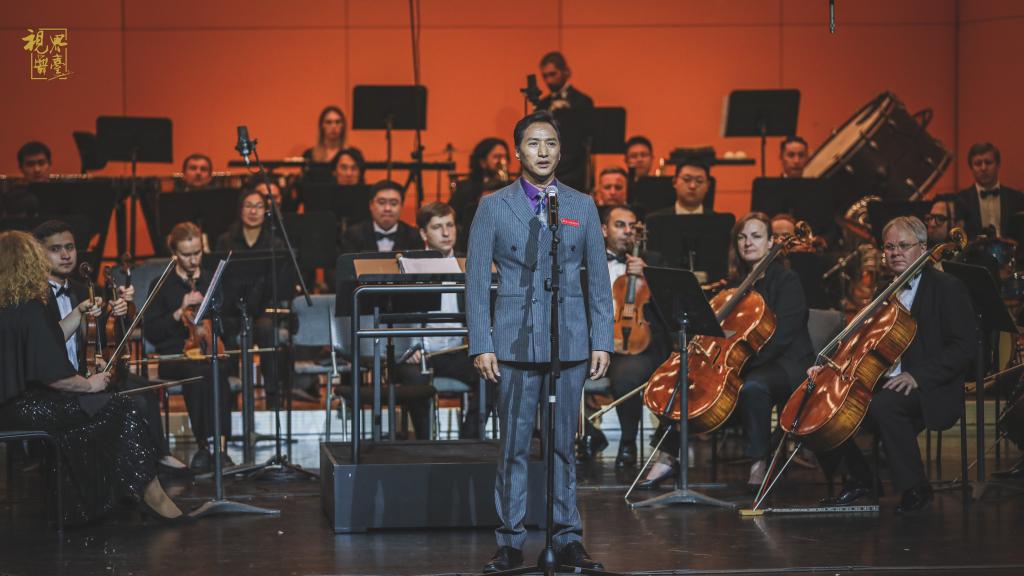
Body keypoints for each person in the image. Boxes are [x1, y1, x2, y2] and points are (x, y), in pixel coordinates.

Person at [467, 110, 611, 572]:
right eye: (533, 143)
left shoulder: (581, 205)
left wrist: (602, 339)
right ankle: (510, 541)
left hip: (568, 338)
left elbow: (598, 279)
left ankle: (567, 537)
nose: (542, 151)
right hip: (513, 340)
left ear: (561, 151)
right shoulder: (493, 206)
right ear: (517, 152)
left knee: (563, 445)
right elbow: (475, 280)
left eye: (550, 143)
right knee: (513, 445)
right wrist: (482, 342)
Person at [0, 230, 188, 524]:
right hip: (29, 409)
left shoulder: (11, 306)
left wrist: (77, 312)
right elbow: (55, 376)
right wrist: (89, 385)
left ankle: (81, 507)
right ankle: (151, 497)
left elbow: (47, 339)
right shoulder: (31, 308)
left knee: (89, 419)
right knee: (118, 407)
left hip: (10, 409)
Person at [638, 212, 814, 489]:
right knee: (686, 381)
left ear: (771, 242)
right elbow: (723, 332)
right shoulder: (735, 285)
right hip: (742, 359)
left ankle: (759, 462)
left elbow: (783, 335)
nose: (747, 243)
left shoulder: (786, 281)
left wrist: (736, 366)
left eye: (756, 236)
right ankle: (668, 457)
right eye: (742, 237)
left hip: (786, 362)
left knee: (753, 387)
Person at [816, 216, 975, 513]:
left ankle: (916, 487)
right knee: (824, 406)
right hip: (883, 378)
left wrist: (918, 376)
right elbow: (860, 342)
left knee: (883, 405)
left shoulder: (947, 287)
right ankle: (861, 478)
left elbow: (965, 348)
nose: (895, 252)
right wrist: (829, 368)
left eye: (904, 245)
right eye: (889, 247)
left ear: (923, 248)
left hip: (930, 386)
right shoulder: (885, 291)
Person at [32, 219, 189, 476]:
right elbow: (43, 346)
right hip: (58, 382)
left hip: (87, 369)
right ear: (40, 254)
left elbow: (105, 340)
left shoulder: (84, 289)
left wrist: (121, 312)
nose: (65, 255)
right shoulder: (34, 297)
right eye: (55, 249)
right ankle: (133, 472)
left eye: (69, 247)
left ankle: (158, 457)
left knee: (145, 390)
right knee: (132, 400)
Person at [577, 205, 669, 467]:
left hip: (639, 347)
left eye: (631, 226)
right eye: (620, 225)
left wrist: (649, 275)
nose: (627, 231)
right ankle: (590, 435)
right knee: (558, 374)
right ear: (604, 230)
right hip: (591, 344)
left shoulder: (654, 260)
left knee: (626, 377)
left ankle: (628, 442)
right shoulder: (584, 261)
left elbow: (670, 309)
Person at [144, 222, 234, 471]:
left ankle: (220, 447)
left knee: (217, 368)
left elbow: (228, 324)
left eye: (197, 253)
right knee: (198, 372)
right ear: (174, 253)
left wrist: (211, 312)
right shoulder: (161, 284)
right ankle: (204, 445)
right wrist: (179, 311)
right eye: (186, 254)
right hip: (174, 355)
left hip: (207, 350)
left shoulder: (211, 280)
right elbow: (151, 331)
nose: (193, 260)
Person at [391, 203, 484, 439]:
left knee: (495, 373)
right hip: (417, 353)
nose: (446, 233)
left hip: (456, 351)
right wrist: (407, 345)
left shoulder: (470, 263)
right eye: (437, 227)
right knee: (415, 383)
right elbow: (395, 314)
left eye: (450, 225)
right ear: (424, 233)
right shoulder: (407, 265)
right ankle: (426, 445)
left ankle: (469, 440)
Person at [214, 188, 293, 405]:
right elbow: (220, 280)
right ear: (240, 210)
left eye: (258, 206)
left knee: (267, 329)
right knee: (227, 329)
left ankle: (273, 397)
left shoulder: (275, 242)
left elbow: (278, 283)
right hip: (232, 308)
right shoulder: (225, 241)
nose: (253, 211)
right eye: (248, 206)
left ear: (266, 211)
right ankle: (229, 399)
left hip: (263, 308)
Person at [535, 51, 594, 192]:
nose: (548, 81)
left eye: (552, 74)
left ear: (565, 72)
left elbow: (586, 137)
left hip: (575, 171)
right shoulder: (542, 105)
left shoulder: (582, 101)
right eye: (545, 76)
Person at [957, 142, 1024, 237]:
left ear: (998, 165)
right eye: (978, 164)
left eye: (988, 162)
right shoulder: (961, 200)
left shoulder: (1017, 198)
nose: (983, 168)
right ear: (971, 167)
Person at [449, 138, 510, 234]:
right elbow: (453, 217)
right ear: (482, 162)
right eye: (496, 157)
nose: (502, 162)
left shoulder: (513, 186)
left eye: (504, 157)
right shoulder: (465, 188)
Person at [341, 180, 421, 253]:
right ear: (371, 205)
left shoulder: (414, 236)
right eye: (381, 202)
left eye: (393, 203)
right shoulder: (353, 234)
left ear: (401, 206)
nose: (387, 208)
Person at [648, 157, 714, 217]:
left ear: (708, 185)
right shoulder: (656, 220)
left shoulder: (717, 222)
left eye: (699, 181)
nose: (692, 186)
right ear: (675, 182)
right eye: (687, 179)